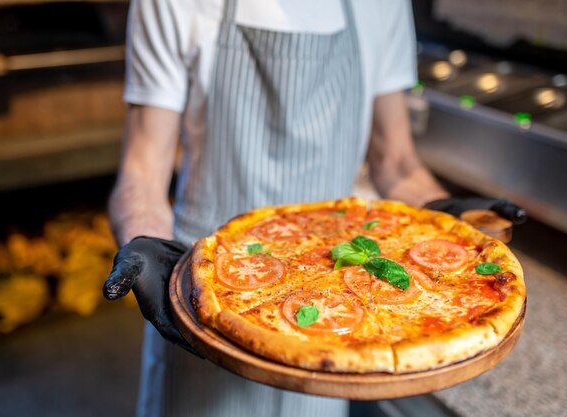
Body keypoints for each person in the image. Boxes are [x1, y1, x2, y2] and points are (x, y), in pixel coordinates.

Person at [102, 1, 525, 416]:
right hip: (199, 285)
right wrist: (144, 238)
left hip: (341, 309)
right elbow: (142, 168)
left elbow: (395, 163)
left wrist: (441, 211)